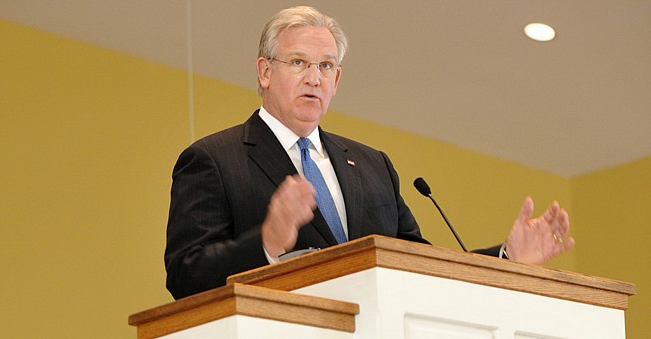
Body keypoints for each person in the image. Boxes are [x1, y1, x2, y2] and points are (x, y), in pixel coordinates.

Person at [164, 6, 575, 300]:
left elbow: (418, 266)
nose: (314, 78)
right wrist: (267, 244)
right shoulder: (214, 159)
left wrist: (507, 257)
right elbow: (185, 276)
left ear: (337, 79)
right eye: (298, 62)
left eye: (325, 67)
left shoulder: (372, 166)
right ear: (265, 72)